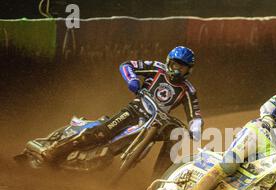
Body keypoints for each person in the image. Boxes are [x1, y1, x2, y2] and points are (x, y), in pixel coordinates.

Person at [43, 46, 203, 177]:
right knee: (102, 133)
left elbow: (195, 114)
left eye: (182, 67)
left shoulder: (188, 90)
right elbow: (127, 65)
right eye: (175, 65)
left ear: (188, 70)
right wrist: (132, 79)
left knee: (176, 135)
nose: (177, 69)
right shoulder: (156, 68)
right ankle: (56, 151)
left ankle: (158, 181)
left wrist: (195, 129)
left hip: (156, 123)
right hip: (135, 110)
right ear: (169, 62)